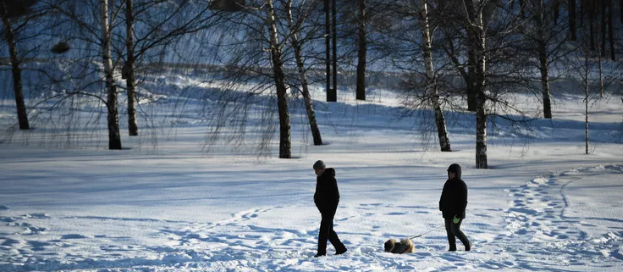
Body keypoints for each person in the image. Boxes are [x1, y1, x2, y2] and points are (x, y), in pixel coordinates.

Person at [313, 160, 347, 257]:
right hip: (323, 208)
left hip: (329, 209)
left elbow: (336, 196)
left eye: (317, 170)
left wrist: (330, 209)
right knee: (329, 230)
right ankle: (341, 248)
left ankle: (321, 252)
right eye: (315, 170)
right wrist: (317, 200)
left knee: (324, 230)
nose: (315, 172)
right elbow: (319, 193)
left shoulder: (330, 179)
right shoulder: (320, 178)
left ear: (322, 169)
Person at [439, 163, 471, 252]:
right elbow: (443, 196)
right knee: (449, 230)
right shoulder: (447, 183)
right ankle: (452, 248)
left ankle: (467, 243)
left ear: (457, 173)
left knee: (455, 230)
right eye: (449, 172)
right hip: (447, 212)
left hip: (457, 213)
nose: (450, 174)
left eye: (452, 172)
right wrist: (441, 206)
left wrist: (459, 213)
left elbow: (464, 201)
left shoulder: (461, 185)